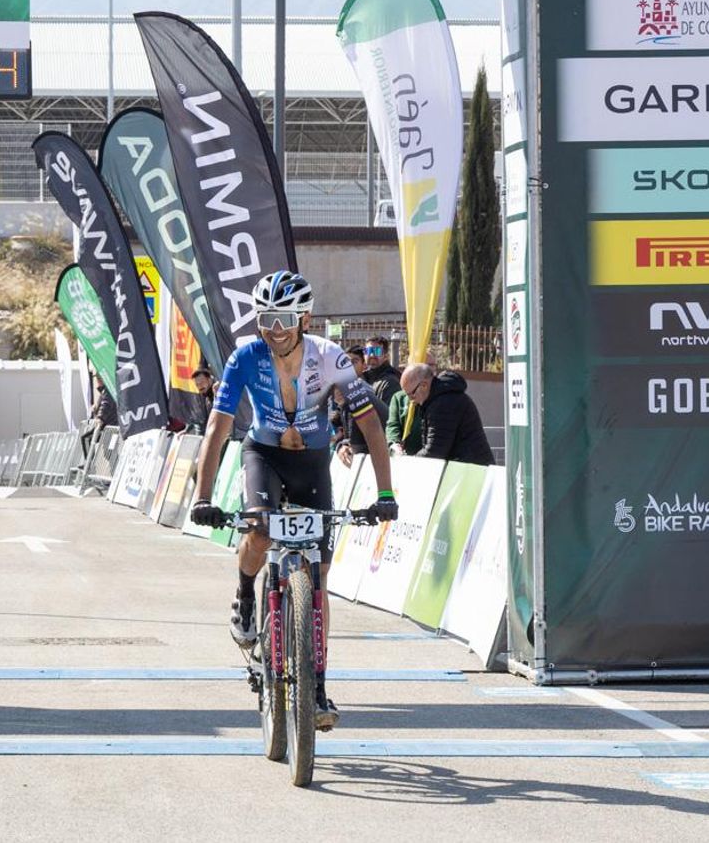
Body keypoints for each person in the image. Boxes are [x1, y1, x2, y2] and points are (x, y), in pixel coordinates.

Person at [188, 271, 397, 733]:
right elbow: (217, 429)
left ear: (304, 317)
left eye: (284, 318)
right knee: (260, 531)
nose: (274, 328)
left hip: (313, 461)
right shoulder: (245, 357)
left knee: (318, 578)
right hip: (264, 454)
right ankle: (245, 593)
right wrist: (202, 497)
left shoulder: (331, 357)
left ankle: (316, 686)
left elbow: (371, 429)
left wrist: (384, 493)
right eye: (265, 318)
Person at [400, 362, 495, 466]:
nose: (411, 401)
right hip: (468, 468)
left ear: (424, 385)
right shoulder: (439, 398)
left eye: (411, 395)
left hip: (472, 471)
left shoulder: (443, 403)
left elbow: (434, 452)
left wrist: (408, 463)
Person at [184, 365, 216, 434]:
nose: (200, 387)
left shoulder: (218, 394)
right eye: (197, 385)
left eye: (202, 382)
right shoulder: (206, 398)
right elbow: (198, 418)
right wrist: (186, 431)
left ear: (210, 380)